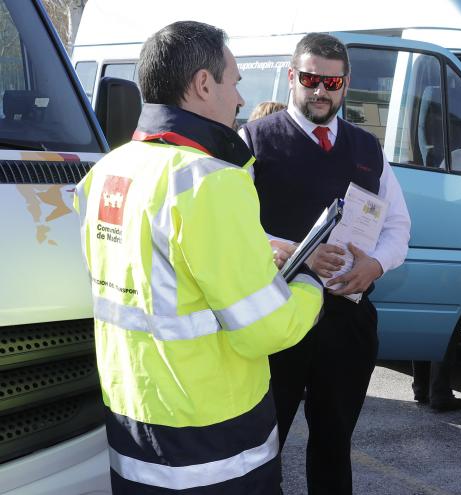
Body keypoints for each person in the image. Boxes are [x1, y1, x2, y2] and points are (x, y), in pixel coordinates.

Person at [73, 21, 324, 494]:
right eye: (234, 82)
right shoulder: (211, 181)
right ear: (203, 84)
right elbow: (265, 328)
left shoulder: (104, 173)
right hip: (214, 442)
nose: (240, 100)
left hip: (134, 426)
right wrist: (309, 281)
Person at [238, 33, 411, 494]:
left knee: (335, 446)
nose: (321, 91)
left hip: (345, 322)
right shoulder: (254, 140)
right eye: (311, 79)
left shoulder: (366, 148)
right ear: (293, 77)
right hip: (278, 320)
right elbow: (231, 230)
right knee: (261, 445)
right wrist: (297, 252)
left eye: (331, 81)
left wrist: (374, 266)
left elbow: (398, 227)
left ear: (346, 84)